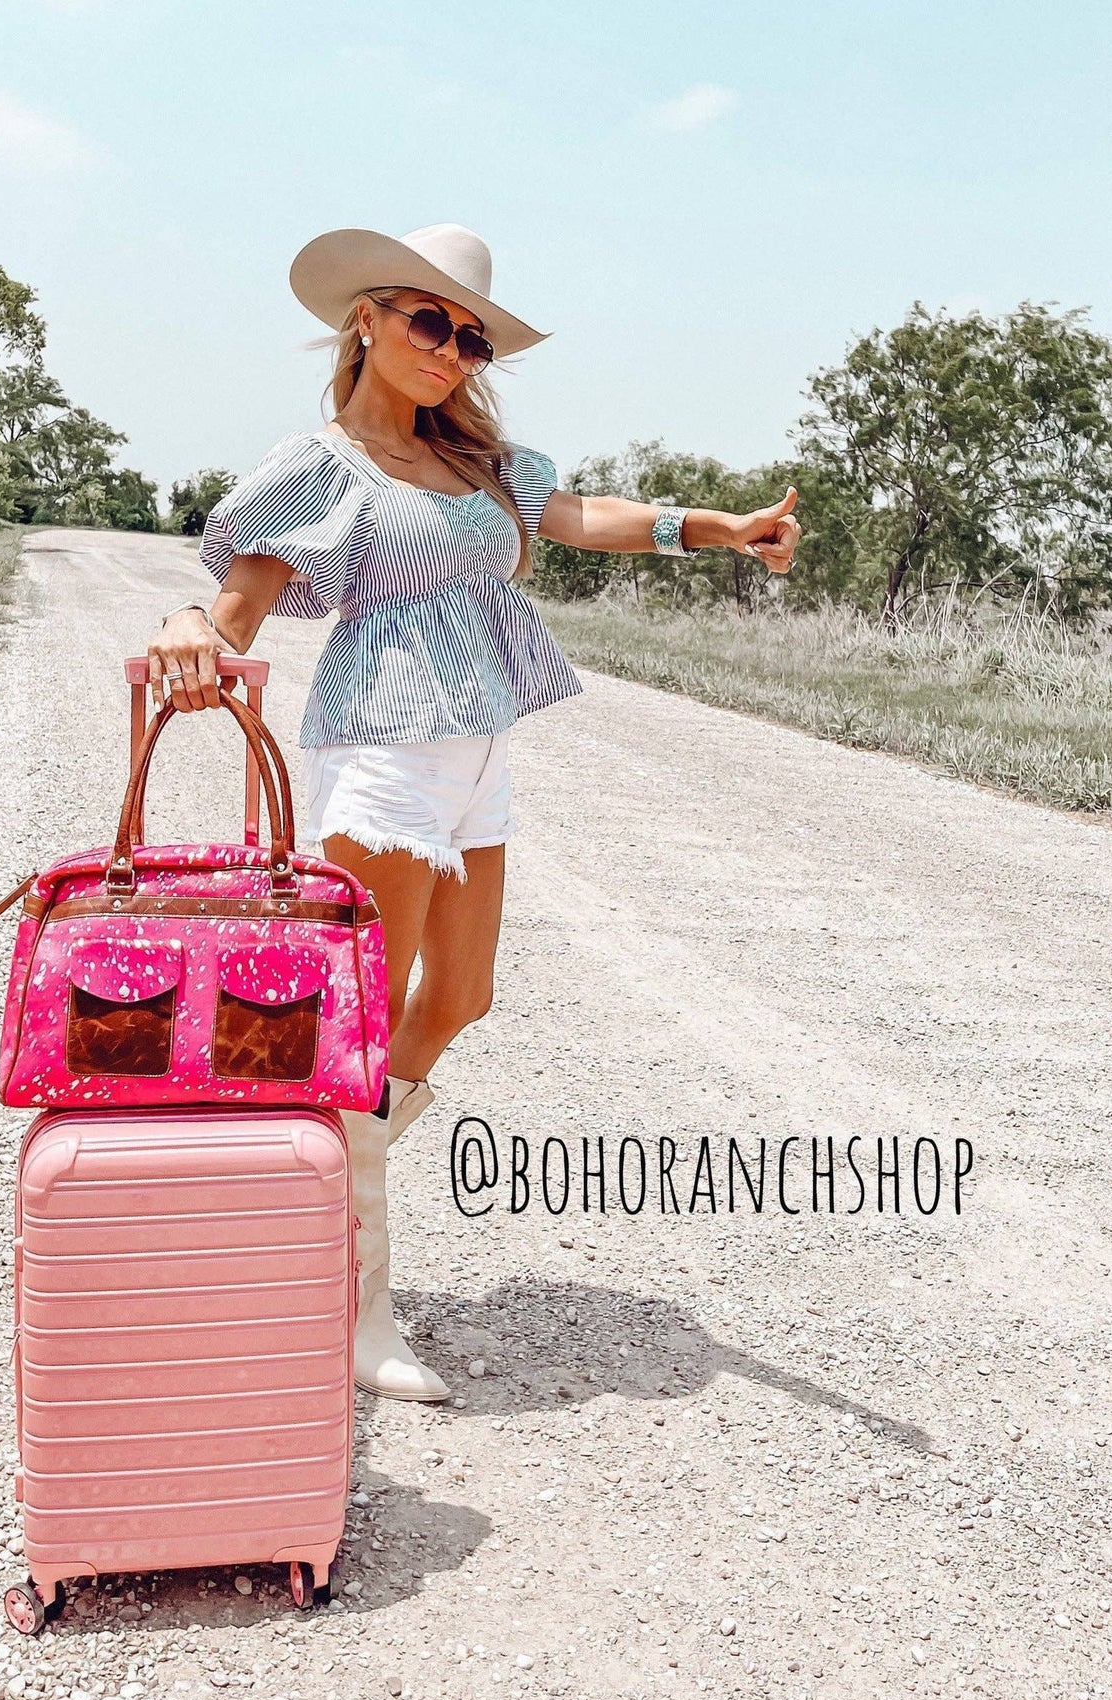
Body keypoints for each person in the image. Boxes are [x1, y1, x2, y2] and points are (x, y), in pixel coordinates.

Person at [141, 223, 801, 1402]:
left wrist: (715, 528)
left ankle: (292, 1194)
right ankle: (355, 1302)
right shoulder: (324, 462)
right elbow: (237, 602)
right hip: (384, 752)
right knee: (357, 1021)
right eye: (427, 320)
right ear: (366, 320)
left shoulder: (479, 461)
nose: (451, 349)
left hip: (476, 745)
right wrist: (194, 633)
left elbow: (580, 511)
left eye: (470, 334)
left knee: (459, 995)